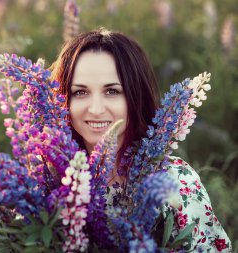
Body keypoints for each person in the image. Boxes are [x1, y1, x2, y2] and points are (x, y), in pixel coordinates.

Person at [50, 28, 232, 252]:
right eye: (80, 92)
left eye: (112, 91)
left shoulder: (174, 180)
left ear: (136, 95)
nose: (95, 109)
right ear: (62, 100)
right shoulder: (48, 181)